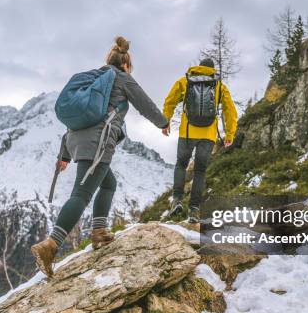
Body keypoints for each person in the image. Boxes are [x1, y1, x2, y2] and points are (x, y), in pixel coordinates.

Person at [31, 37, 169, 277]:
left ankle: (99, 232)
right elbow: (144, 103)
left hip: (77, 141)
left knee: (109, 183)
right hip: (98, 143)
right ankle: (50, 245)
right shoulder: (121, 77)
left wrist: (64, 155)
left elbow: (77, 120)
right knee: (82, 194)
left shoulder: (91, 79)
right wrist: (163, 123)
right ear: (126, 65)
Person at [162, 58, 237, 223]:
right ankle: (194, 210)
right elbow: (230, 110)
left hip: (187, 133)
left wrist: (165, 122)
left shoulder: (186, 81)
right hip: (208, 135)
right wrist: (230, 134)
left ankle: (177, 201)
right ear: (212, 70)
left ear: (199, 67)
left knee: (181, 165)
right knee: (200, 171)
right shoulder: (219, 85)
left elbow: (170, 101)